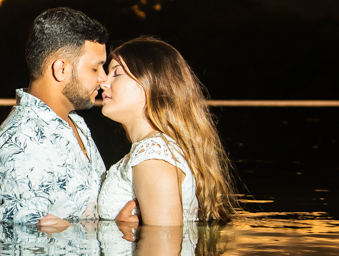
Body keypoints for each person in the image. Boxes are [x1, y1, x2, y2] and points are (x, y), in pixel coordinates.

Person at [0, 7, 110, 225]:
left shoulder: (75, 125)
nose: (104, 78)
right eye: (95, 69)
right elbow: (21, 240)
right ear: (61, 68)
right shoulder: (21, 140)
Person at [95, 37, 237, 224]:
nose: (103, 82)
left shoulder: (152, 156)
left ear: (150, 84)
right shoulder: (153, 150)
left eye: (117, 73)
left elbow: (164, 245)